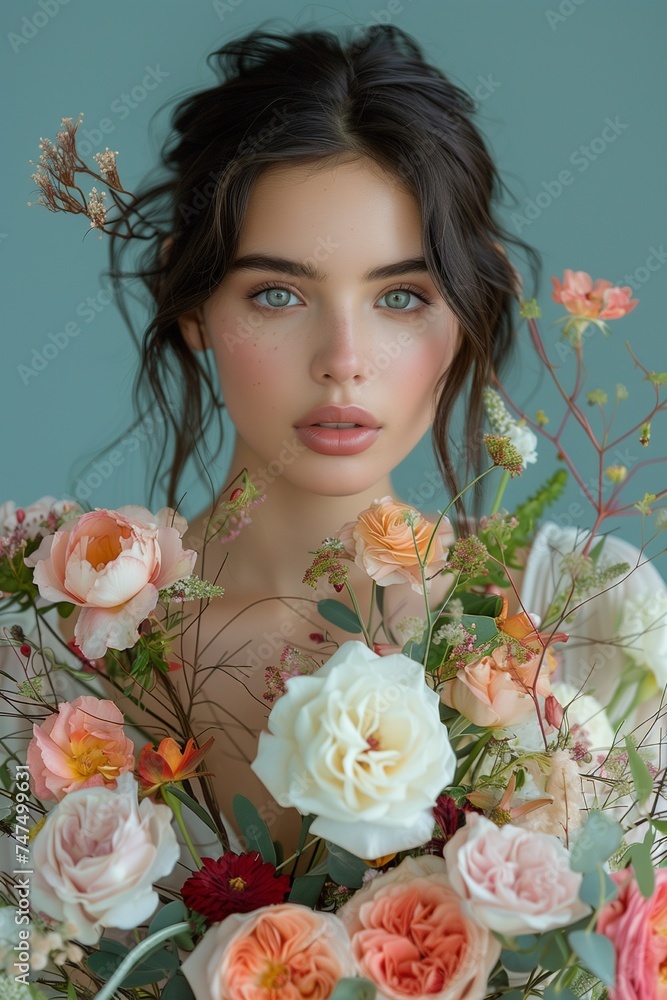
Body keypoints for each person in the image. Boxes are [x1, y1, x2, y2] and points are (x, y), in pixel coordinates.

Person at [29, 24, 666, 850]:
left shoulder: (593, 618)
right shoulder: (44, 663)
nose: (343, 362)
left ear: (467, 311)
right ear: (189, 303)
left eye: (400, 297)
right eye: (277, 295)